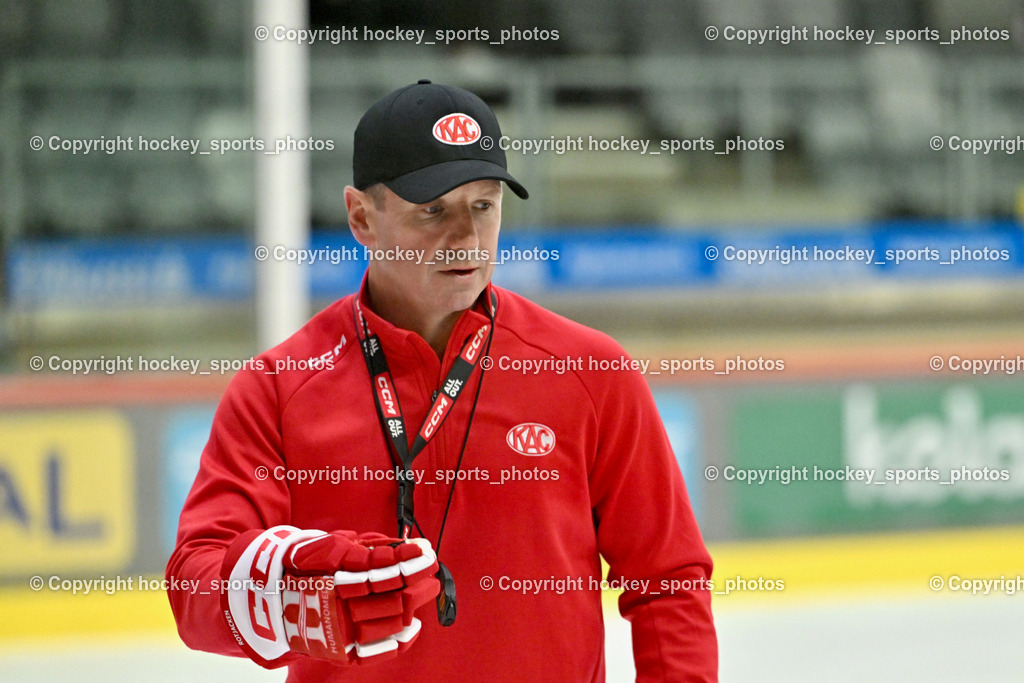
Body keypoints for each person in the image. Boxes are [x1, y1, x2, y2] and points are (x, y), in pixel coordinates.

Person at [167, 79, 717, 681]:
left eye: (483, 205)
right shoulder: (277, 388)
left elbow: (668, 580)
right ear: (360, 218)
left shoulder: (589, 371)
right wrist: (287, 584)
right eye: (432, 210)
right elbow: (194, 588)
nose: (466, 237)